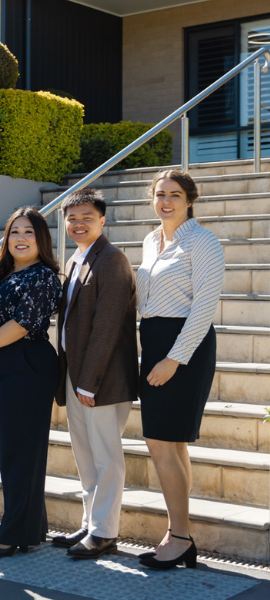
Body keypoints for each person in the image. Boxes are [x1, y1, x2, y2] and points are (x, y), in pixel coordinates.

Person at [136, 170, 224, 571]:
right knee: (173, 444)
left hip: (183, 345)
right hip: (154, 341)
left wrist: (175, 358)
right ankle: (179, 531)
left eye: (175, 194)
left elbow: (205, 307)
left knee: (160, 443)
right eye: (160, 194)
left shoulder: (203, 241)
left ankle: (182, 536)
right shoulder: (151, 240)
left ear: (190, 200)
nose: (166, 201)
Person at [0, 206, 62, 558]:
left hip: (27, 363)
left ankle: (12, 533)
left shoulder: (44, 277)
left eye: (29, 232)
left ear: (42, 240)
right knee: (13, 451)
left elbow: (23, 323)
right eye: (14, 232)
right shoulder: (1, 274)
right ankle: (32, 527)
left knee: (21, 452)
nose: (20, 239)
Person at [51, 189, 138, 560]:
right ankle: (90, 522)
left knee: (106, 456)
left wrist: (89, 381)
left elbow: (107, 327)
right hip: (74, 373)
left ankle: (105, 532)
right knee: (84, 453)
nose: (78, 224)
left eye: (86, 217)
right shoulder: (76, 259)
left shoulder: (112, 260)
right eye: (72, 218)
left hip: (101, 379)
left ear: (102, 220)